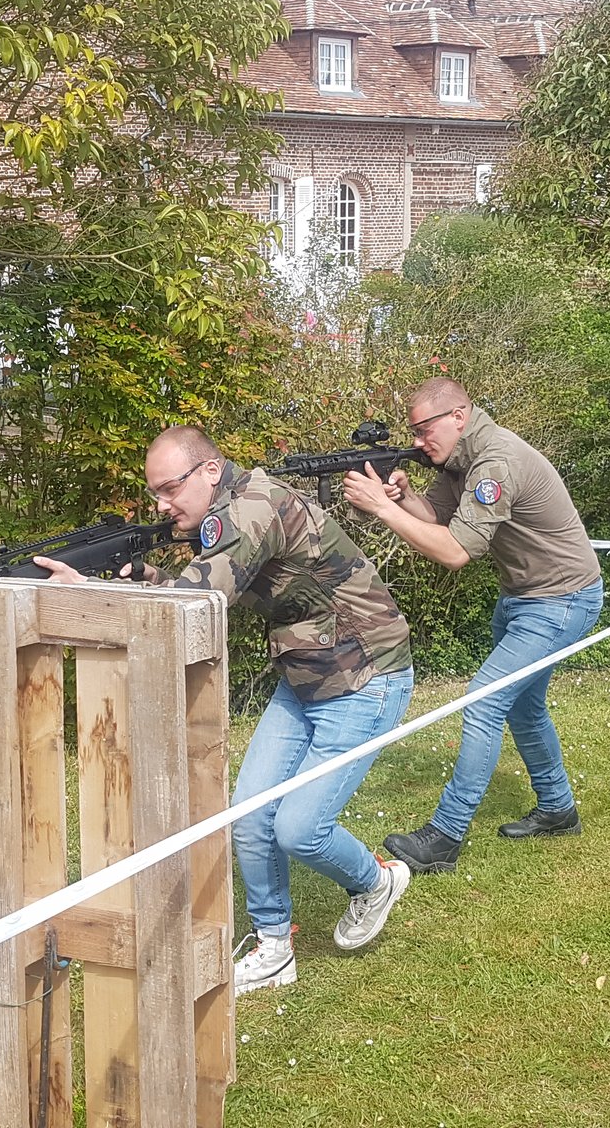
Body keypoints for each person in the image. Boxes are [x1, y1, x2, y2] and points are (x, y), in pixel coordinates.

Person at [35, 426, 416, 996]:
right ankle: (274, 947)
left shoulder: (253, 507)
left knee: (300, 830)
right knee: (249, 816)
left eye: (169, 489)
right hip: (307, 677)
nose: (161, 505)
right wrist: (145, 579)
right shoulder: (233, 511)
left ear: (210, 471)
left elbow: (196, 599)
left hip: (366, 677)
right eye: (155, 493)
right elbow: (198, 588)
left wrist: (88, 590)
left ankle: (376, 882)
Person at [340, 378, 603, 873]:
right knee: (523, 707)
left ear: (458, 417)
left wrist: (381, 507)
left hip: (562, 599)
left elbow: (456, 551)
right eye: (414, 432)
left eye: (424, 429)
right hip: (524, 597)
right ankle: (558, 808)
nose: (417, 441)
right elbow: (440, 517)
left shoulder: (494, 462)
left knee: (483, 701)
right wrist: (404, 498)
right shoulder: (461, 458)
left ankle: (445, 836)